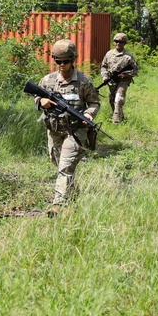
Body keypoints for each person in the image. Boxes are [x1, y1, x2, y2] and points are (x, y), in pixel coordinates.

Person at [34, 39, 101, 215]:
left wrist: (88, 114)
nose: (62, 65)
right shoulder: (47, 81)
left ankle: (58, 205)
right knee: (57, 163)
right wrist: (42, 102)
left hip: (76, 131)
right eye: (58, 61)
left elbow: (94, 103)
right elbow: (36, 97)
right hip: (54, 129)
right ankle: (72, 192)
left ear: (73, 60)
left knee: (65, 166)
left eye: (66, 61)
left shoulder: (84, 82)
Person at [99, 32, 139, 124]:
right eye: (116, 41)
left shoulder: (128, 56)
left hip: (123, 81)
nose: (118, 43)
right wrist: (105, 76)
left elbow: (135, 70)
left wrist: (125, 75)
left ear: (124, 43)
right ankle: (120, 117)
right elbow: (104, 67)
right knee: (112, 100)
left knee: (118, 99)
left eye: (121, 42)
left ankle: (116, 122)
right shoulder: (109, 54)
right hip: (112, 81)